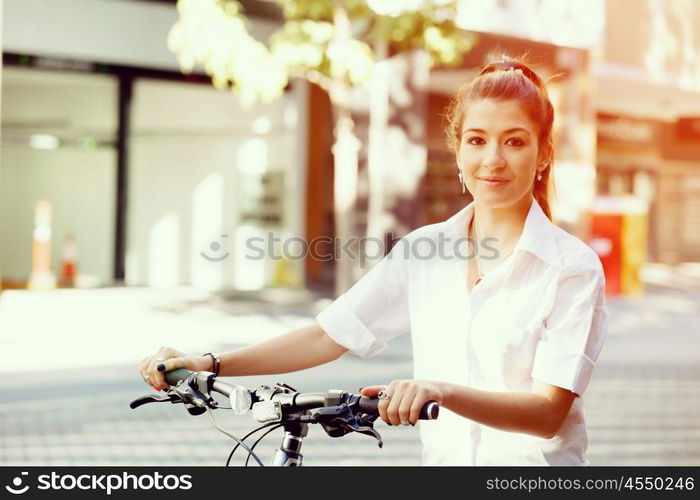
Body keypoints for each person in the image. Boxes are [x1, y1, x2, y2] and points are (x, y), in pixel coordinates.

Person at [139, 54, 608, 466]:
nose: (493, 159)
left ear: (544, 154)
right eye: (478, 140)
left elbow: (548, 414)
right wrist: (209, 364)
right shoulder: (426, 251)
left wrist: (439, 391)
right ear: (458, 151)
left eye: (515, 141)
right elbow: (328, 334)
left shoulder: (572, 268)